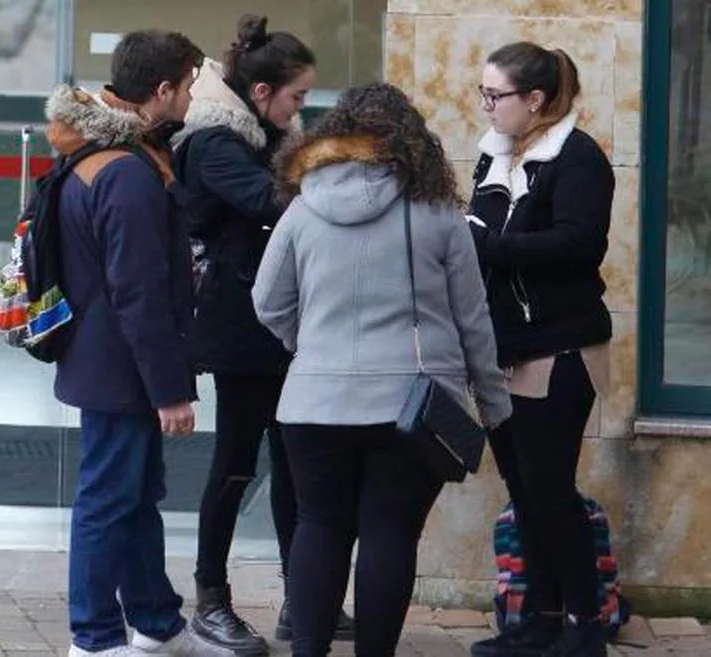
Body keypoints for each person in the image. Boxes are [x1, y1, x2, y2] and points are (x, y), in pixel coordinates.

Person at [251, 83, 512, 657]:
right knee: (390, 534)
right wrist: (494, 404)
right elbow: (474, 320)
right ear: (413, 142)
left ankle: (308, 649)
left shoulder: (301, 208)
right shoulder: (440, 213)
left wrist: (311, 344)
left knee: (318, 527)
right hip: (411, 407)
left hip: (312, 405)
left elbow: (267, 301)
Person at [46, 29, 234, 657]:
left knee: (133, 496)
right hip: (120, 366)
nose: (191, 98)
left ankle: (156, 624)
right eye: (187, 87)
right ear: (162, 91)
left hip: (108, 359)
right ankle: (95, 639)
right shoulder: (126, 173)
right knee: (108, 500)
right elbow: (140, 293)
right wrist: (170, 390)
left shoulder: (107, 153)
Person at [171, 14, 352, 655]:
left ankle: (301, 600)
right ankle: (211, 600)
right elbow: (271, 203)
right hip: (237, 333)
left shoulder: (268, 137)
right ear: (261, 94)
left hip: (278, 328)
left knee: (296, 467)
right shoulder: (216, 144)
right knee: (235, 468)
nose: (305, 106)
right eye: (299, 96)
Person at [466, 42, 615, 657]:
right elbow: (480, 232)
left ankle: (585, 627)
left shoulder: (577, 158)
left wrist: (489, 247)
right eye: (484, 93)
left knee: (550, 490)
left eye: (494, 95)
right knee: (524, 491)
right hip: (505, 346)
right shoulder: (495, 153)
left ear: (535, 99)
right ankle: (542, 620)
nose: (486, 106)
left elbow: (580, 244)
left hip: (559, 346)